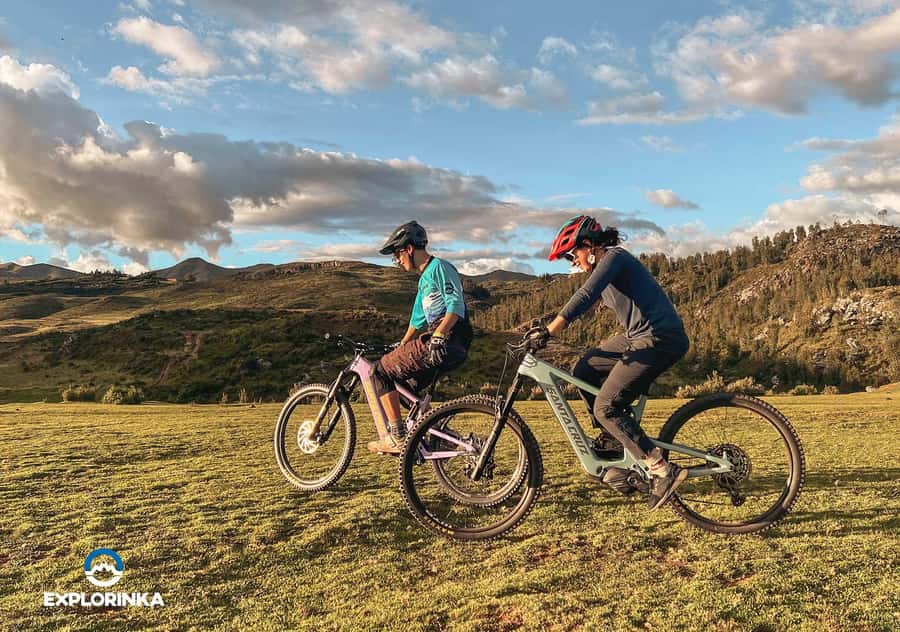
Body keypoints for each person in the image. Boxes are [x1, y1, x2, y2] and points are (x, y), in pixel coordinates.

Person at [530, 215, 691, 510]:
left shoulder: (614, 258)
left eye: (573, 254)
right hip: (637, 337)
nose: (573, 261)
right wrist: (548, 326)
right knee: (585, 367)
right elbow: (587, 303)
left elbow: (585, 294)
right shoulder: (607, 266)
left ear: (589, 245)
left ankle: (662, 471)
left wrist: (550, 331)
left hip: (659, 338)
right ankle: (614, 437)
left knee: (606, 406)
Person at [368, 220, 473, 454]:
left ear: (409, 249)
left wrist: (438, 336)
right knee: (405, 389)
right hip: (444, 341)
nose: (397, 260)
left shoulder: (440, 268)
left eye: (397, 254)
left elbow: (455, 306)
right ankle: (442, 437)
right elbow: (416, 322)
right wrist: (401, 347)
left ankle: (395, 437)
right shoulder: (424, 281)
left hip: (447, 338)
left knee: (378, 371)